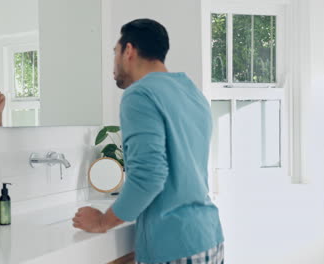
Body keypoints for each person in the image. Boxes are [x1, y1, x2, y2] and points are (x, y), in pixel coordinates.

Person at [72, 19, 224, 264]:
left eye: (115, 53)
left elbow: (149, 176)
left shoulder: (140, 94)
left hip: (173, 244)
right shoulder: (191, 91)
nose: (114, 65)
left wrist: (102, 222)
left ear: (129, 51)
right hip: (209, 237)